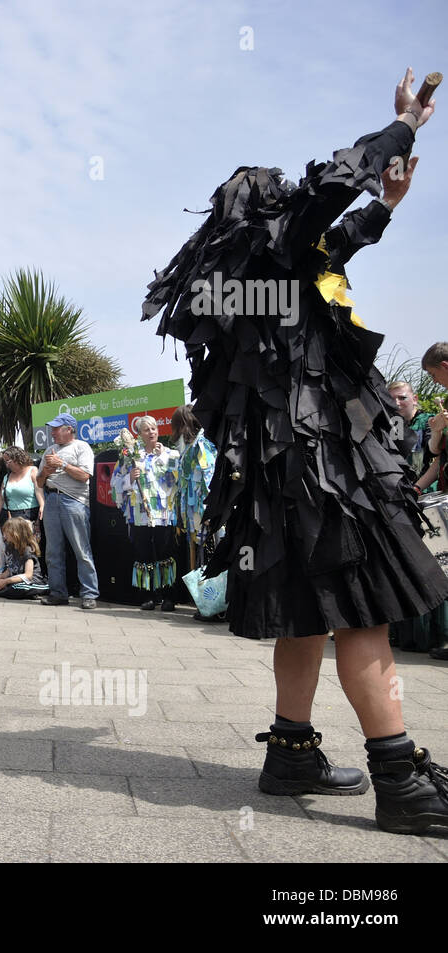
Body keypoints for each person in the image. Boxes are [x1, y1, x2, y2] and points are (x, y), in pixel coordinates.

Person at [141, 70, 448, 833]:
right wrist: (404, 126)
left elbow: (327, 241)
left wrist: (383, 207)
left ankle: (291, 750)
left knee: (308, 615)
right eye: (277, 191)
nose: (289, 191)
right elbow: (326, 197)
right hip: (324, 467)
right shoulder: (270, 251)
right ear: (259, 216)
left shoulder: (252, 278)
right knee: (365, 614)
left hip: (283, 472)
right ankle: (400, 779)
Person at [110, 416, 182, 610]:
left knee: (166, 553)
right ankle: (148, 596)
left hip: (164, 514)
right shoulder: (131, 456)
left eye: (154, 428)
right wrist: (129, 479)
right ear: (139, 435)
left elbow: (178, 481)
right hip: (139, 514)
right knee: (142, 554)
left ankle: (169, 596)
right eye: (146, 429)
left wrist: (163, 459)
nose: (151, 432)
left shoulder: (171, 454)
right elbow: (114, 483)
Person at [36, 413, 99, 609]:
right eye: (52, 428)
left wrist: (62, 464)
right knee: (52, 551)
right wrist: (46, 471)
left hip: (74, 501)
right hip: (51, 499)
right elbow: (38, 482)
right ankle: (57, 593)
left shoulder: (82, 447)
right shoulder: (50, 449)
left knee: (81, 549)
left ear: (69, 429)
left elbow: (85, 476)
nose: (52, 432)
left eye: (56, 428)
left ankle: (89, 594)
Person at [171, 404, 220, 620]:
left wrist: (209, 510)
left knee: (209, 555)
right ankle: (207, 604)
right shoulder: (193, 445)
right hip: (195, 512)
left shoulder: (202, 445)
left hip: (204, 510)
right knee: (202, 555)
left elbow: (208, 476)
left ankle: (215, 605)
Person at [0, 517, 49, 599]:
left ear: (16, 533)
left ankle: (41, 590)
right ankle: (18, 593)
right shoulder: (10, 547)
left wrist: (6, 581)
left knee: (15, 588)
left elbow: (28, 575)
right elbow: (9, 570)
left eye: (7, 532)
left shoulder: (27, 550)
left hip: (31, 582)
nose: (4, 535)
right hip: (14, 581)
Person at [0, 447, 44, 544]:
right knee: (13, 549)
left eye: (8, 461)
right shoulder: (7, 476)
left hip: (29, 515)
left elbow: (38, 490)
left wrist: (42, 505)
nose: (7, 465)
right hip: (10, 517)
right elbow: (1, 498)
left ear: (17, 458)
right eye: (5, 462)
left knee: (29, 548)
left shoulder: (32, 470)